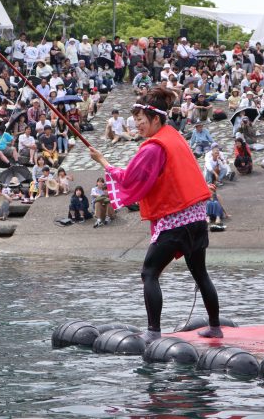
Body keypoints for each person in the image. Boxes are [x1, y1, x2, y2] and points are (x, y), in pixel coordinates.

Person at [89, 86, 223, 343]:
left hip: (176, 221)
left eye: (142, 121)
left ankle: (153, 332)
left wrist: (103, 162)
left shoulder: (154, 147)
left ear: (156, 119)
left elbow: (129, 178)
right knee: (200, 272)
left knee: (149, 273)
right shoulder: (174, 136)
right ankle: (215, 326)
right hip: (196, 217)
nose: (138, 126)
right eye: (135, 121)